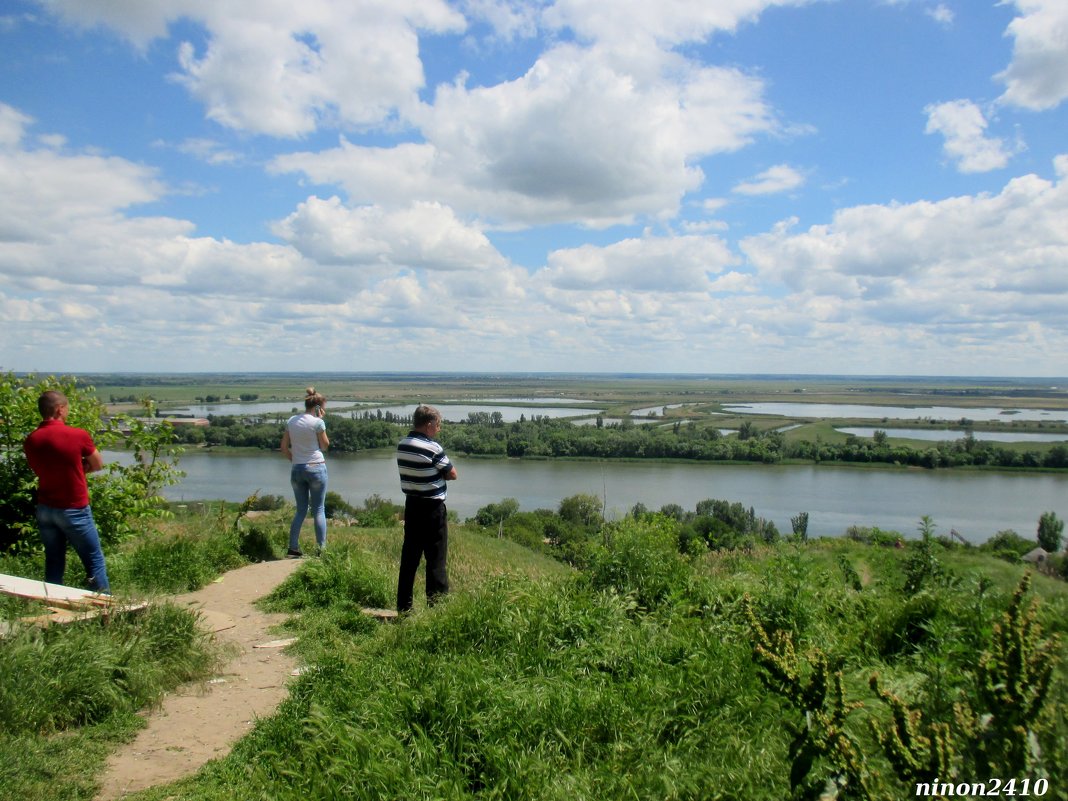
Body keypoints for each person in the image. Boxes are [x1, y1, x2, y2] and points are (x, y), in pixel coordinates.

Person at [23, 390, 111, 593]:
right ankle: (105, 609)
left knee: (54, 559)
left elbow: (39, 468)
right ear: (60, 409)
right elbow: (97, 464)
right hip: (74, 507)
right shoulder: (77, 435)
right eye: (67, 408)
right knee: (93, 559)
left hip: (45, 508)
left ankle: (52, 601)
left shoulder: (32, 439)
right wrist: (80, 468)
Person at [395, 404, 457, 613]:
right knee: (436, 560)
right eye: (438, 425)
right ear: (429, 425)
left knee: (409, 559)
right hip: (433, 509)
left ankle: (404, 608)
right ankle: (436, 609)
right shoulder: (433, 448)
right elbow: (453, 474)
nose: (438, 429)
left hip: (412, 506)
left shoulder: (402, 445)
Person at [280, 387, 330, 557]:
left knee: (301, 510)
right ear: (318, 407)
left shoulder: (292, 420)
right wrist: (320, 421)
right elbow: (325, 446)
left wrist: (295, 460)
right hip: (316, 467)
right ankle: (321, 550)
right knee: (319, 509)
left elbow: (284, 447)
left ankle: (293, 548)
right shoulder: (318, 422)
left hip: (297, 469)